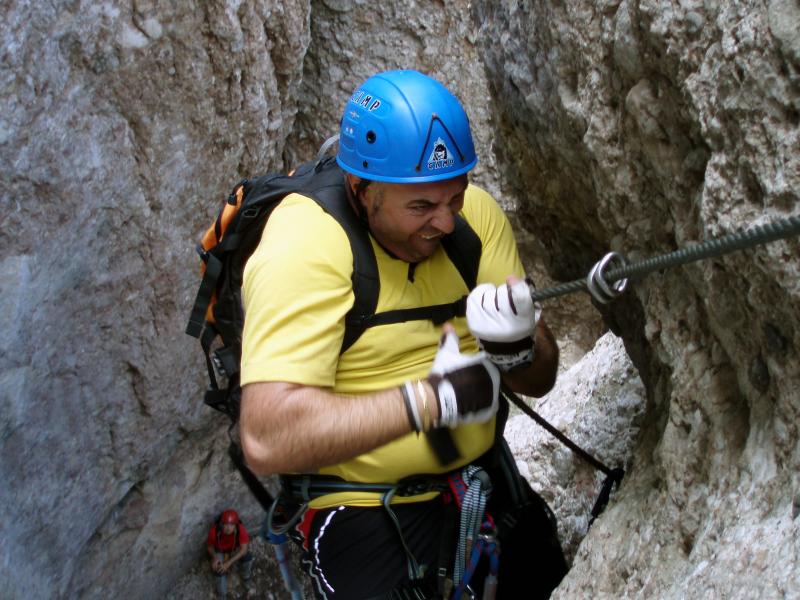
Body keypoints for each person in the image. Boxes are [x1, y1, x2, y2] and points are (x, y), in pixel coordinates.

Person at [239, 69, 559, 599]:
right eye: (421, 206)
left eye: (453, 197)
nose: (445, 223)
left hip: (480, 484)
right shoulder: (306, 244)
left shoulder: (476, 223)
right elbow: (266, 437)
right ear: (361, 190)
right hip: (359, 506)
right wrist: (431, 400)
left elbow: (540, 379)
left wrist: (519, 346)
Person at [206, 509, 254, 599]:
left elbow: (244, 549)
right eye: (225, 524)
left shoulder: (240, 529)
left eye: (231, 525)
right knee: (218, 568)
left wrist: (228, 563)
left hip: (233, 550)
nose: (228, 528)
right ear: (221, 524)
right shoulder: (214, 531)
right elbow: (209, 547)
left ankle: (246, 576)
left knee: (247, 556)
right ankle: (222, 594)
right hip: (220, 552)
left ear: (235, 525)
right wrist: (214, 557)